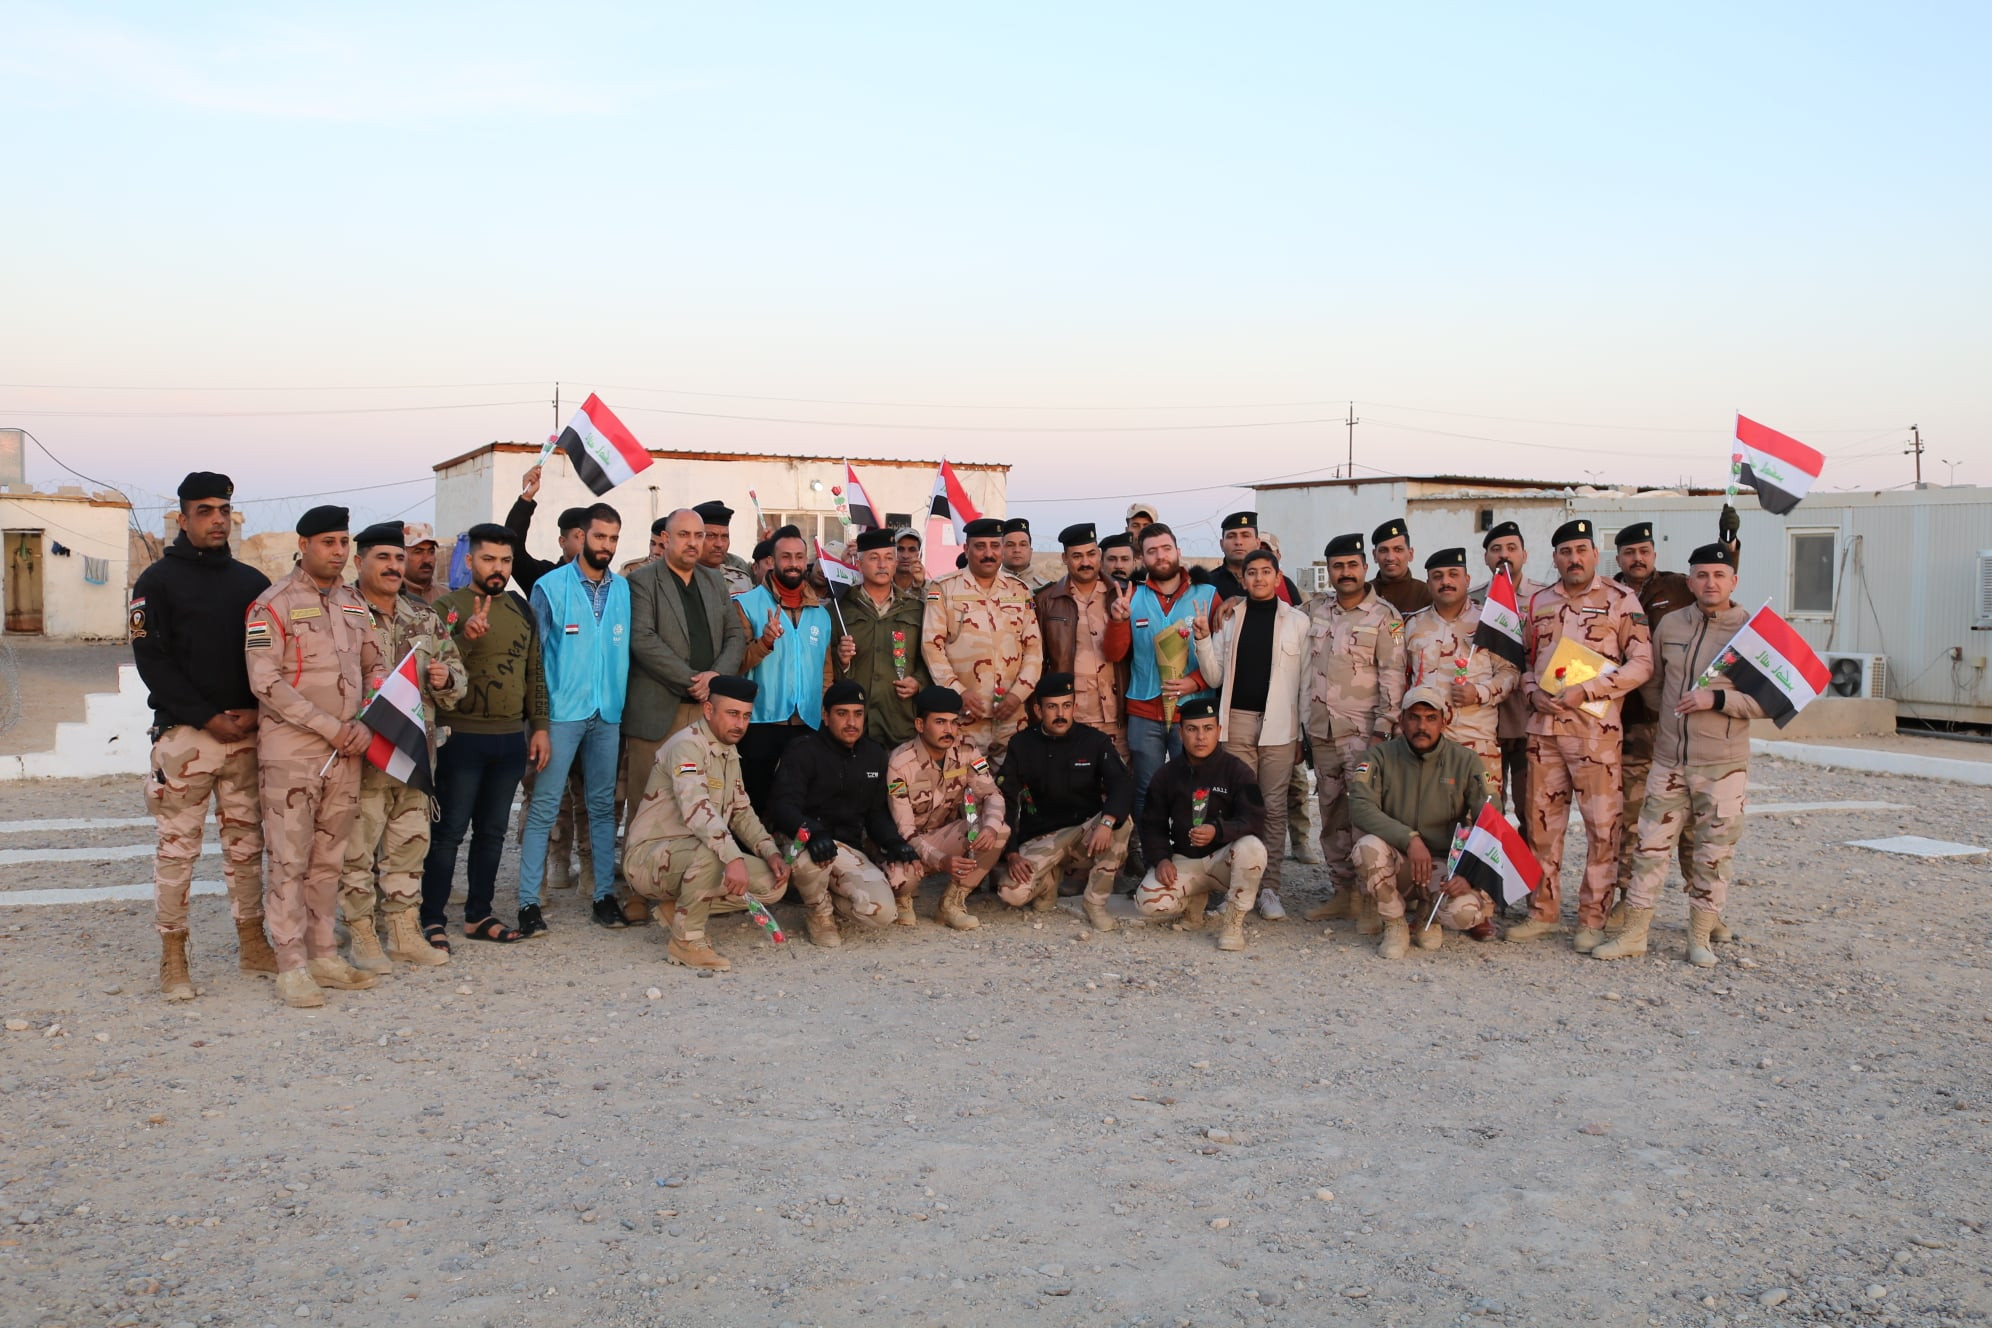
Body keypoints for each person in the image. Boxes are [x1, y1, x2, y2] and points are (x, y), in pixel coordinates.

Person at [130, 471, 274, 999]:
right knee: (177, 849)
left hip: (246, 734)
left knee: (247, 847)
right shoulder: (156, 583)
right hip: (186, 738)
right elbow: (152, 661)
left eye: (224, 510)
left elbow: (269, 656)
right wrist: (208, 716)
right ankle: (173, 955)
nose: (217, 520)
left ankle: (253, 943)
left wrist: (257, 712)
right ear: (183, 518)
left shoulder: (252, 583)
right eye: (205, 511)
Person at [243, 506, 384, 1008]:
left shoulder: (353, 603)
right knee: (289, 859)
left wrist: (367, 722)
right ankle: (291, 964)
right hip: (294, 753)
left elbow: (376, 665)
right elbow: (265, 682)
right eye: (328, 542)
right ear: (303, 545)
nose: (339, 552)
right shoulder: (273, 604)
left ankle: (323, 953)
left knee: (328, 859)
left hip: (348, 751)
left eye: (344, 542)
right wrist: (331, 728)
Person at [1593, 543, 1758, 965]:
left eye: (1719, 575)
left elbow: (1771, 701)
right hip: (1668, 760)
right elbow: (1653, 682)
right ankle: (1634, 934)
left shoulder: (1751, 633)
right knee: (1648, 850)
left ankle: (1699, 937)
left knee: (1713, 855)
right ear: (1690, 582)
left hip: (1722, 765)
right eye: (1701, 575)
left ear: (1734, 581)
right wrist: (1670, 716)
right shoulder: (1670, 624)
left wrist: (1717, 700)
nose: (1710, 583)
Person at [1509, 518, 1654, 951]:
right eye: (1565, 552)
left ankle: (1593, 919)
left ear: (1594, 554)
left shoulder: (1620, 599)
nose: (1574, 559)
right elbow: (1524, 661)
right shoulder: (1539, 601)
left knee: (1602, 830)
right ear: (1555, 558)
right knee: (1541, 828)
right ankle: (1543, 912)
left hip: (1596, 734)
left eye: (1581, 550)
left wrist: (1588, 690)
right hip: (1545, 731)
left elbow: (1642, 664)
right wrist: (1532, 692)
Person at [337, 521, 465, 974]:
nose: (393, 566)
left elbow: (456, 675)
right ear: (359, 562)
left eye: (398, 558)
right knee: (355, 853)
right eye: (383, 558)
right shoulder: (341, 613)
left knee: (408, 850)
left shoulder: (423, 617)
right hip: (361, 758)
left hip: (412, 757)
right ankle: (361, 933)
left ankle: (404, 933)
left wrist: (445, 680)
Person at [423, 524, 550, 947]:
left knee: (493, 833)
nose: (498, 568)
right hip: (460, 736)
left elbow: (534, 672)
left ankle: (478, 915)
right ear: (470, 560)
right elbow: (430, 671)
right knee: (449, 833)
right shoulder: (446, 609)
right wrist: (465, 638)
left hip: (510, 738)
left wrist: (540, 728)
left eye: (505, 561)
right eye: (489, 559)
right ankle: (431, 917)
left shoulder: (520, 609)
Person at [624, 676, 790, 972]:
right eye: (732, 714)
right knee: (716, 853)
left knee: (771, 883)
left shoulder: (728, 750)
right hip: (649, 858)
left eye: (746, 716)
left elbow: (741, 811)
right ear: (709, 710)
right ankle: (686, 942)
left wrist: (770, 851)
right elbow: (696, 808)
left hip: (693, 855)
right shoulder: (686, 746)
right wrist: (733, 857)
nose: (740, 724)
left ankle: (679, 911)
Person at [518, 502, 631, 936]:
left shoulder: (623, 591)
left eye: (613, 538)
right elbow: (534, 660)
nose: (607, 545)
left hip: (607, 714)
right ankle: (529, 902)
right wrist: (539, 723)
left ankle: (603, 896)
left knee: (602, 807)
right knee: (545, 806)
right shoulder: (550, 587)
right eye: (600, 536)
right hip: (560, 716)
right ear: (581, 536)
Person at [626, 508, 747, 873]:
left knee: (701, 801)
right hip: (659, 711)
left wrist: (716, 678)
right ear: (665, 538)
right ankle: (639, 883)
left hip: (705, 712)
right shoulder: (642, 581)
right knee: (648, 802)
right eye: (684, 535)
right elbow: (643, 639)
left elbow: (734, 635)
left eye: (699, 535)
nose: (693, 543)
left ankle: (691, 881)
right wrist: (694, 679)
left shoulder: (713, 581)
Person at [1193, 547, 1309, 922]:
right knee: (1237, 804)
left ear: (1278, 577)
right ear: (1242, 579)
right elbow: (1214, 677)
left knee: (1273, 808)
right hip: (1238, 722)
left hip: (1281, 725)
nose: (1259, 578)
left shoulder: (1298, 622)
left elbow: (1306, 683)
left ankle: (1269, 887)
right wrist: (1202, 640)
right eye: (1251, 573)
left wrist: (1302, 734)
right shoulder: (1230, 618)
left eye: (1265, 572)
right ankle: (1237, 888)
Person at [1298, 533, 1406, 928]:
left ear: (1365, 567)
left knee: (1365, 815)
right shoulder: (1315, 609)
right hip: (1323, 732)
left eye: (1352, 565)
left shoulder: (1385, 616)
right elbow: (1276, 614)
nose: (1345, 573)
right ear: (1329, 571)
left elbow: (1393, 675)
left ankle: (1372, 899)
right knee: (1330, 813)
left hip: (1364, 735)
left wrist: (1383, 731)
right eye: (1337, 566)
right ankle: (1343, 893)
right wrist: (1234, 604)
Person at [1348, 686, 1501, 957]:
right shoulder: (1379, 757)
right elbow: (1360, 806)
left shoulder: (1465, 760)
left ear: (1444, 721)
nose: (1422, 726)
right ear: (1402, 720)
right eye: (1414, 718)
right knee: (1366, 847)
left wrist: (1468, 874)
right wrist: (1409, 839)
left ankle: (1428, 916)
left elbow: (1490, 820)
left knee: (1466, 913)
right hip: (1399, 862)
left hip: (1441, 869)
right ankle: (1395, 923)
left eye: (1431, 718)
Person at [767, 681, 921, 941]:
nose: (851, 722)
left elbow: (876, 813)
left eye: (858, 714)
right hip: (802, 841)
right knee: (810, 860)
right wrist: (813, 833)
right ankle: (819, 914)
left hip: (845, 848)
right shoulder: (803, 750)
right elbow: (782, 806)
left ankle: (826, 896)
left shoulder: (873, 754)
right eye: (842, 713)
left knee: (882, 913)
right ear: (826, 716)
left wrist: (894, 842)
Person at [994, 673, 1133, 931]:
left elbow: (1121, 784)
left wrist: (1106, 821)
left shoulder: (1094, 741)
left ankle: (1095, 902)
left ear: (1074, 707)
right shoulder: (1021, 744)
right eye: (1052, 707)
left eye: (1066, 706)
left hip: (1085, 835)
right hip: (1041, 837)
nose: (1061, 714)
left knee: (1121, 822)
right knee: (1011, 892)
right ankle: (1048, 883)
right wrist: (1011, 853)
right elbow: (1007, 800)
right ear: (1038, 710)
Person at [1104, 523, 1217, 827]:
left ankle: (1190, 846)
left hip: (1192, 710)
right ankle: (1150, 849)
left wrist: (1195, 682)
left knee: (1193, 785)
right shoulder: (1133, 596)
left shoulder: (1208, 594)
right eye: (1152, 551)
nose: (1161, 556)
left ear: (1178, 551)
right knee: (1147, 787)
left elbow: (1222, 654)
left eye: (1166, 549)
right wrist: (1118, 621)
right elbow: (1114, 654)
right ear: (1142, 559)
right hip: (1145, 709)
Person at [1609, 520, 1699, 906]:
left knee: (1692, 823)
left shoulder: (1678, 588)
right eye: (1629, 553)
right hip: (1627, 725)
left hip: (1674, 724)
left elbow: (1716, 584)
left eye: (1644, 551)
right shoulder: (1608, 593)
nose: (1637, 558)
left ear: (1654, 554)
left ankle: (1704, 905)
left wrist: (1729, 545)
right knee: (1630, 819)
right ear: (1618, 558)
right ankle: (1626, 899)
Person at [1133, 697, 1267, 952]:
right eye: (1192, 729)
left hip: (1225, 861)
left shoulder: (1239, 771)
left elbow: (1256, 819)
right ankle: (1193, 902)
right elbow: (1152, 824)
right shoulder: (1166, 774)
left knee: (1253, 848)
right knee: (1148, 902)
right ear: (1180, 733)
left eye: (1208, 728)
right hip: (1186, 860)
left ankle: (1233, 921)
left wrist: (1219, 830)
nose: (1200, 737)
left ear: (1219, 730)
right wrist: (1161, 859)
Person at [920, 516, 1043, 766]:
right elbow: (932, 647)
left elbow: (1033, 650)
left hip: (1011, 717)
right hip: (964, 718)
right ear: (966, 549)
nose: (988, 554)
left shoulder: (1019, 591)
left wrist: (1017, 695)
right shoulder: (943, 588)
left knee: (1012, 784)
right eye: (980, 547)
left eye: (995, 546)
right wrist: (958, 692)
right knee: (963, 784)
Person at [884, 686, 1011, 930]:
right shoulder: (900, 763)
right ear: (920, 725)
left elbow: (992, 793)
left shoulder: (967, 750)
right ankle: (902, 898)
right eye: (940, 722)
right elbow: (905, 830)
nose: (949, 730)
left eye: (954, 722)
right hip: (905, 846)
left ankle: (952, 902)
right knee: (901, 881)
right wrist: (941, 861)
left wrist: (990, 828)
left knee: (999, 829)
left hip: (942, 836)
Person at [733, 525, 837, 811]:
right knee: (755, 806)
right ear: (772, 561)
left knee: (801, 805)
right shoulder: (745, 604)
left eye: (799, 557)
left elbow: (825, 672)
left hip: (808, 724)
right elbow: (736, 664)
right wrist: (765, 642)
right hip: (761, 723)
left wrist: (824, 713)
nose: (793, 564)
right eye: (786, 557)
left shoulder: (822, 614)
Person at [1401, 547, 1518, 799]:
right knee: (1431, 813)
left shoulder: (1488, 621)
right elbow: (1401, 677)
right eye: (1438, 576)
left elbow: (1510, 673)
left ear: (1467, 579)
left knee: (1482, 815)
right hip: (1427, 741)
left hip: (1476, 740)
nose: (1446, 581)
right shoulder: (1412, 625)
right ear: (1428, 584)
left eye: (1453, 574)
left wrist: (1479, 692)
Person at [1472, 521, 1546, 822]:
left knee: (1533, 806)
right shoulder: (1474, 600)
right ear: (1486, 558)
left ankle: (1528, 854)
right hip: (1486, 717)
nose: (1504, 555)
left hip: (1531, 715)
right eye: (1496, 549)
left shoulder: (1544, 598)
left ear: (1524, 555)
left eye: (1511, 548)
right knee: (1487, 805)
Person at [1034, 522, 1127, 759]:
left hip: (1117, 714)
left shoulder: (1122, 594)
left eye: (1091, 554)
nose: (1085, 562)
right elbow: (1037, 660)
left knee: (1119, 775)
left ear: (1099, 555)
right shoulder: (1047, 600)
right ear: (1064, 558)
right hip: (1071, 715)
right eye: (1077, 556)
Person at [833, 526, 929, 750]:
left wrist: (918, 681)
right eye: (874, 558)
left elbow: (930, 658)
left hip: (899, 720)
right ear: (859, 564)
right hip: (855, 724)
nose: (882, 564)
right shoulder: (840, 609)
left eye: (889, 558)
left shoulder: (916, 609)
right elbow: (825, 666)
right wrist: (842, 661)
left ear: (895, 563)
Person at [503, 463, 587, 595]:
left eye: (593, 536)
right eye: (580, 536)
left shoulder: (608, 584)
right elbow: (513, 549)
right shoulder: (545, 577)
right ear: (562, 541)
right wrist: (526, 498)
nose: (587, 543)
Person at [1209, 511, 1300, 606]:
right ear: (1222, 544)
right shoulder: (1207, 584)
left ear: (1257, 543)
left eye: (1245, 536)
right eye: (1231, 536)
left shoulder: (1283, 584)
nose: (1238, 542)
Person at [1368, 518, 1434, 616]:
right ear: (1374, 555)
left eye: (1398, 550)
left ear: (1410, 554)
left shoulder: (1426, 593)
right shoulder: (1365, 593)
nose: (1390, 558)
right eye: (1383, 550)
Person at [694, 500, 755, 595]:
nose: (719, 544)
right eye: (711, 536)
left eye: (724, 536)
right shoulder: (681, 578)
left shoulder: (742, 579)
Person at [1001, 517, 1049, 593]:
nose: (1017, 550)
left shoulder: (1046, 589)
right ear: (1001, 551)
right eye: (1010, 545)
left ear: (1030, 551)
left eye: (1023, 545)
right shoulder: (988, 586)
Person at [400, 523, 444, 603]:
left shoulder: (446, 596)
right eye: (418, 552)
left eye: (431, 552)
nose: (427, 560)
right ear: (402, 556)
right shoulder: (391, 597)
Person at [893, 528, 927, 594]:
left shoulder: (933, 587)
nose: (905, 556)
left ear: (920, 555)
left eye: (912, 550)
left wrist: (918, 585)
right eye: (900, 549)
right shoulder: (883, 586)